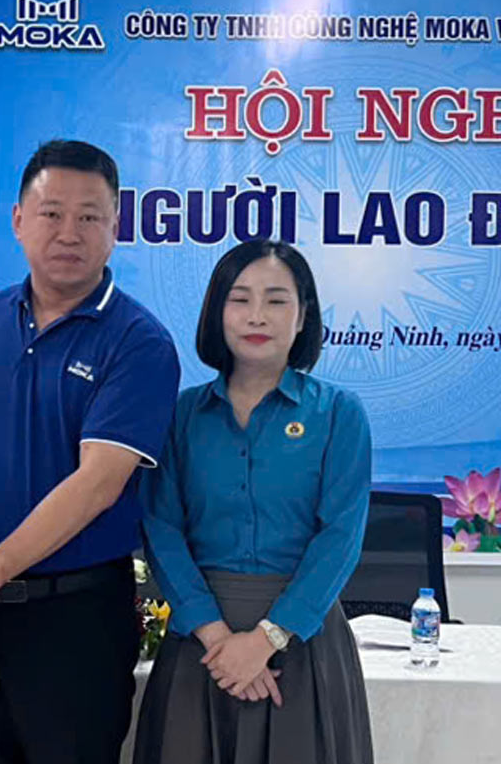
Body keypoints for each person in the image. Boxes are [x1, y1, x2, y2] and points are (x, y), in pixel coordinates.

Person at [0, 140, 181, 764]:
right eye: (51, 213)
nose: (69, 232)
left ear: (116, 229)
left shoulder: (138, 343)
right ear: (18, 220)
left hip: (73, 623)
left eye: (89, 216)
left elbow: (97, 486)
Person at [134, 240, 374, 764]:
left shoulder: (339, 414)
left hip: (302, 642)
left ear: (303, 313)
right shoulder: (181, 415)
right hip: (201, 642)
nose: (257, 316)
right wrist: (221, 643)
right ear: (217, 311)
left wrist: (266, 640)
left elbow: (340, 538)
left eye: (277, 299)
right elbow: (160, 527)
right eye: (239, 299)